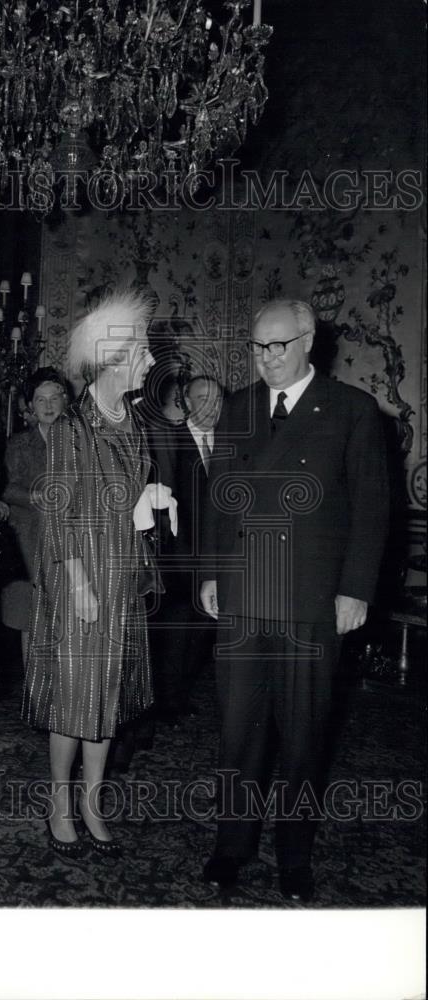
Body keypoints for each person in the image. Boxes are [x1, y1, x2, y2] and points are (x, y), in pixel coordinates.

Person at [200, 299, 389, 902]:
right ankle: (232, 846)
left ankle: (295, 856)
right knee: (237, 732)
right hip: (244, 595)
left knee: (304, 735)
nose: (269, 358)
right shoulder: (239, 407)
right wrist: (210, 573)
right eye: (259, 347)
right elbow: (219, 499)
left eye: (280, 345)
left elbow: (372, 509)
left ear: (309, 341)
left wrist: (355, 589)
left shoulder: (352, 410)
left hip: (311, 599)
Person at [22, 289, 177, 857]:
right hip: (81, 579)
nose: (151, 361)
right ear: (111, 357)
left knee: (108, 695)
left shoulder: (132, 421)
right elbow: (56, 512)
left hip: (123, 578)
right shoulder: (71, 428)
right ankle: (60, 800)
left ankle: (92, 799)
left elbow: (126, 497)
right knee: (74, 696)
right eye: (140, 350)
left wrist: (149, 499)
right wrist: (80, 583)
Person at [147, 374, 223, 722]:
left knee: (202, 631)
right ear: (187, 402)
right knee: (175, 633)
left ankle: (178, 697)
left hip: (214, 559)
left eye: (217, 399)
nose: (211, 405)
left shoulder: (229, 444)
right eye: (202, 397)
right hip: (176, 556)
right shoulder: (168, 440)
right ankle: (164, 702)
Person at [0, 367, 67, 660]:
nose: (49, 406)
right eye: (41, 400)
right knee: (31, 619)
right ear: (30, 406)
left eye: (54, 398)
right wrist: (34, 497)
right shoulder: (19, 444)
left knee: (66, 618)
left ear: (66, 401)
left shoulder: (79, 443)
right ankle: (33, 693)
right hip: (29, 540)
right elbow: (6, 488)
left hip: (68, 540)